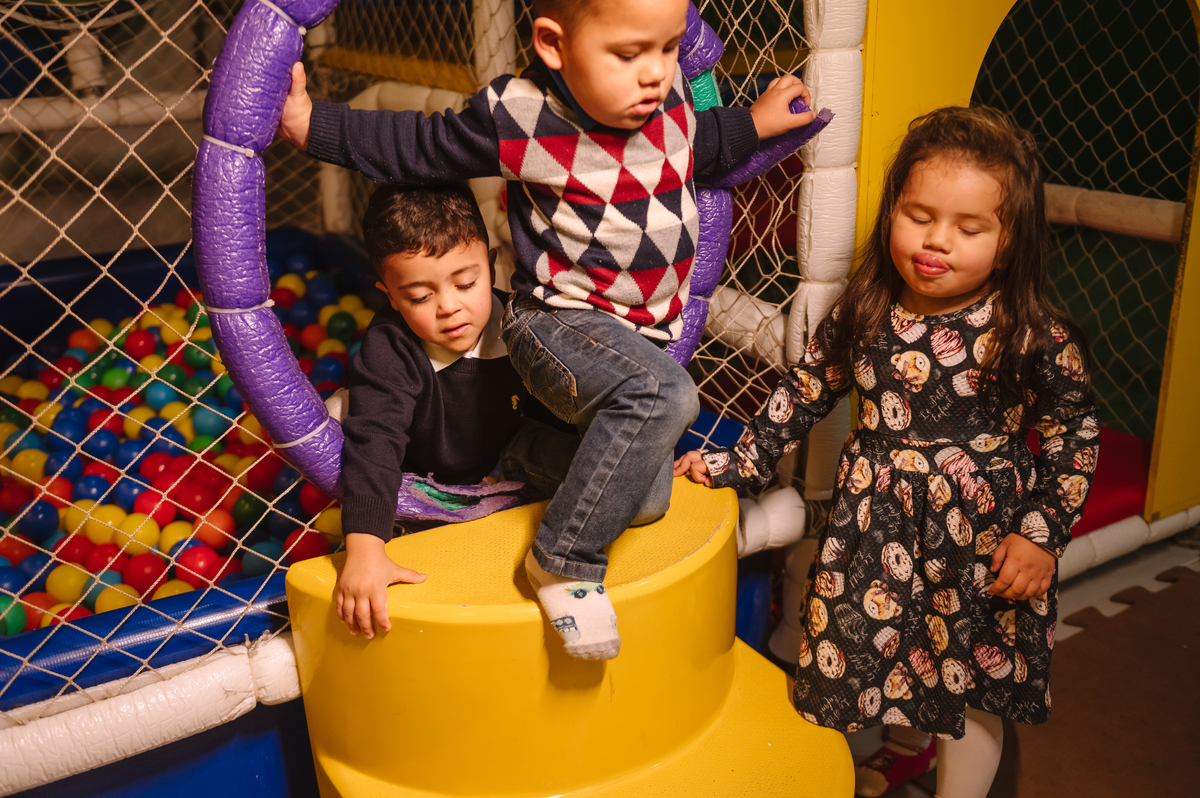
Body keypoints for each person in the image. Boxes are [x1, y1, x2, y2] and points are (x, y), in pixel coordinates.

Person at [277, 0, 817, 659]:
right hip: (556, 324)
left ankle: (522, 457)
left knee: (643, 493)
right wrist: (311, 126)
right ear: (554, 45)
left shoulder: (662, 96)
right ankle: (563, 559)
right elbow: (416, 144)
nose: (654, 73)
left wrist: (753, 124)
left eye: (669, 48)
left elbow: (694, 144)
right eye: (627, 54)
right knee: (666, 396)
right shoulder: (527, 116)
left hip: (629, 339)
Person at [675, 106, 1098, 798]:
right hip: (875, 533)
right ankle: (888, 756)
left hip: (981, 544)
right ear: (892, 211)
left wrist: (1040, 535)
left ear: (1010, 238)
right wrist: (737, 462)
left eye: (969, 228)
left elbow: (1073, 435)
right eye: (919, 215)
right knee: (848, 664)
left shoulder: (1029, 331)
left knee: (968, 687)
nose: (937, 241)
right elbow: (804, 390)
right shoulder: (867, 307)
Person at [335, 183, 580, 640]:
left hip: (505, 454)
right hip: (418, 474)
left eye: (466, 284)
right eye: (420, 297)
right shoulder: (391, 347)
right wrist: (365, 547)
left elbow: (565, 403)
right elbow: (376, 439)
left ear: (490, 268)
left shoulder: (519, 323)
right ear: (389, 294)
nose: (450, 307)